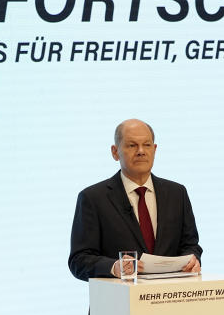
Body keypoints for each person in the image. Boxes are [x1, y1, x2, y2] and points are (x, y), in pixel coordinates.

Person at [68, 118, 202, 293]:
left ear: (154, 150)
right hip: (117, 308)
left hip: (170, 304)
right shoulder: (93, 198)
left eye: (146, 145)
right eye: (132, 145)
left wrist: (192, 259)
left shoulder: (177, 193)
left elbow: (190, 244)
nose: (141, 151)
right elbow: (79, 260)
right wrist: (114, 267)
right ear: (115, 152)